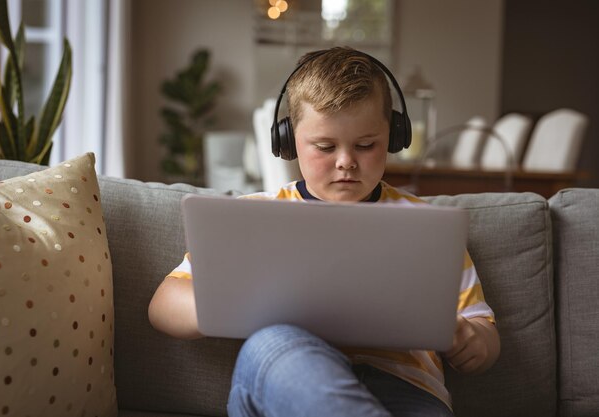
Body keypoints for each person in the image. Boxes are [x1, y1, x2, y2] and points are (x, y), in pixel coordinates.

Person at [148, 46, 500, 417]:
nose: (346, 161)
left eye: (366, 145)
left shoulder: (429, 226)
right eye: (325, 146)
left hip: (407, 391)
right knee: (271, 343)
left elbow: (483, 331)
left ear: (394, 137)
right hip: (287, 372)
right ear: (287, 142)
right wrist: (241, 306)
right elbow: (163, 306)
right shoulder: (254, 215)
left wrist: (472, 341)